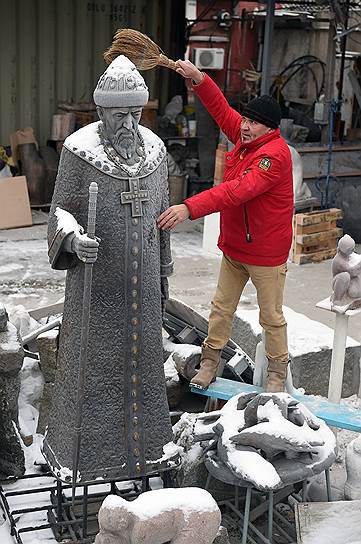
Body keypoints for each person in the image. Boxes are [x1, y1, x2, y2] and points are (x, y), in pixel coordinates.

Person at [44, 55, 175, 483]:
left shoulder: (155, 151)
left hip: (143, 294)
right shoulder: (79, 152)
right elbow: (59, 211)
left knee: (144, 368)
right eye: (120, 114)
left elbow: (162, 213)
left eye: (136, 113)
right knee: (94, 375)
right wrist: (73, 239)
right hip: (96, 290)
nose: (129, 123)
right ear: (101, 112)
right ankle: (83, 460)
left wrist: (163, 271)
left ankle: (149, 455)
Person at [157, 60, 294, 393]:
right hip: (236, 247)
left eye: (253, 123)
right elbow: (222, 111)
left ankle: (276, 373)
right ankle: (209, 363)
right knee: (220, 308)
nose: (244, 126)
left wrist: (189, 207)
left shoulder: (273, 156)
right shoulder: (248, 139)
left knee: (271, 317)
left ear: (270, 128)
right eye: (244, 119)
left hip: (265, 254)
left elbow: (236, 191)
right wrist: (200, 79)